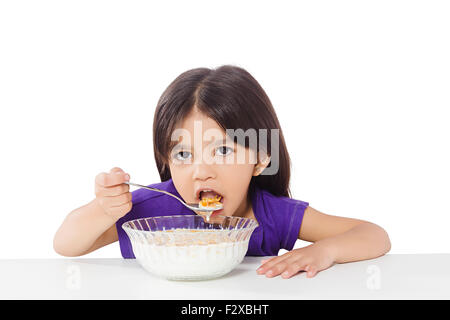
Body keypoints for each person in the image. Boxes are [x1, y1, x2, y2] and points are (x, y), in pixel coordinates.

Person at [53, 65, 391, 279]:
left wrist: (323, 251)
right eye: (184, 153)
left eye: (224, 150)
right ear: (166, 159)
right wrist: (103, 208)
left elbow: (374, 235)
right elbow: (66, 245)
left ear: (260, 159)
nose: (202, 171)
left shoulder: (270, 214)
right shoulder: (151, 211)